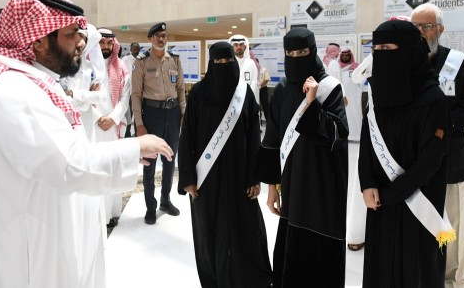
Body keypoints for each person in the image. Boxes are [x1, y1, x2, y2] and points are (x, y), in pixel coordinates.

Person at [0, 0, 172, 288]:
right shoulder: (11, 92)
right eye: (71, 34)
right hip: (11, 260)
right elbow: (69, 165)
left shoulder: (19, 82)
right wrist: (134, 147)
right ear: (39, 40)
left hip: (21, 244)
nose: (80, 43)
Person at [358, 19, 452, 288]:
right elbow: (367, 142)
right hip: (379, 201)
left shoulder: (433, 99)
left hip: (417, 202)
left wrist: (392, 193)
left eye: (387, 48)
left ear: (409, 51)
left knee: (414, 268)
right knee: (381, 264)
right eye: (376, 49)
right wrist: (367, 183)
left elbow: (430, 160)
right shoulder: (378, 95)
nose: (379, 54)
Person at [256, 27, 349, 288]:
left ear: (313, 51)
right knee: (291, 252)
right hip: (292, 185)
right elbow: (272, 140)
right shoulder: (282, 88)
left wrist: (312, 103)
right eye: (290, 53)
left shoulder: (329, 88)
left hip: (323, 186)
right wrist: (272, 188)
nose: (296, 58)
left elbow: (337, 137)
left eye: (302, 52)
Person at [177, 42, 273, 288]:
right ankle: (213, 280)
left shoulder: (244, 93)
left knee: (246, 228)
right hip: (206, 178)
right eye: (218, 62)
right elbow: (187, 136)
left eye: (228, 61)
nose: (223, 65)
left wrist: (254, 177)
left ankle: (249, 278)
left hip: (241, 175)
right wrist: (187, 178)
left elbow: (254, 137)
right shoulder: (199, 93)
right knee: (208, 230)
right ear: (211, 64)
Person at [411, 3, 464, 288]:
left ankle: (452, 279)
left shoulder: (460, 62)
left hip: (450, 158)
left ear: (440, 29)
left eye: (426, 26)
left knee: (452, 223)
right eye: (415, 26)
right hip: (415, 160)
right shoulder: (406, 63)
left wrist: (441, 127)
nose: (420, 32)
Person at [132, 22, 186, 225]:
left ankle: (165, 200)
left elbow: (181, 89)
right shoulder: (142, 62)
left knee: (170, 158)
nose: (161, 39)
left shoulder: (175, 60)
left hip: (172, 114)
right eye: (157, 36)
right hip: (151, 115)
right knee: (150, 162)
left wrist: (183, 113)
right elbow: (135, 94)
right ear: (150, 39)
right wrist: (139, 123)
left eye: (164, 36)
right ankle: (150, 207)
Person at [96, 28, 132, 225]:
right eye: (102, 42)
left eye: (109, 43)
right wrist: (97, 118)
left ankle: (110, 214)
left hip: (113, 127)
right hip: (93, 126)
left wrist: (113, 118)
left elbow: (125, 98)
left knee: (112, 170)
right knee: (96, 170)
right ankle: (96, 216)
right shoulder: (87, 66)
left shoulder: (121, 67)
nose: (106, 47)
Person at [338, 49, 366, 252]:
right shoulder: (336, 70)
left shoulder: (358, 70)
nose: (346, 56)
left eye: (348, 54)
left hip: (357, 117)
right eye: (343, 54)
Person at [61, 25, 106, 143]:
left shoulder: (90, 67)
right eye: (74, 36)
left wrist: (73, 94)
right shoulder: (57, 64)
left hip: (86, 127)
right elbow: (58, 100)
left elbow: (102, 96)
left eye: (82, 36)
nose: (79, 42)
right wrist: (87, 100)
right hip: (63, 125)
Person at [228, 35, 259, 105]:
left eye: (241, 44)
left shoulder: (251, 63)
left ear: (245, 47)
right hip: (231, 101)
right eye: (236, 45)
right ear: (232, 47)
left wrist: (247, 97)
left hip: (247, 100)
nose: (239, 47)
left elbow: (254, 82)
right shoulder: (228, 64)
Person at [121, 42, 141, 138]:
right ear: (131, 49)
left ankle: (138, 135)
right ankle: (127, 135)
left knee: (138, 117)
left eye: (137, 49)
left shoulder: (142, 59)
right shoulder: (125, 60)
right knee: (128, 116)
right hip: (128, 93)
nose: (136, 51)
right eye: (134, 49)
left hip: (139, 94)